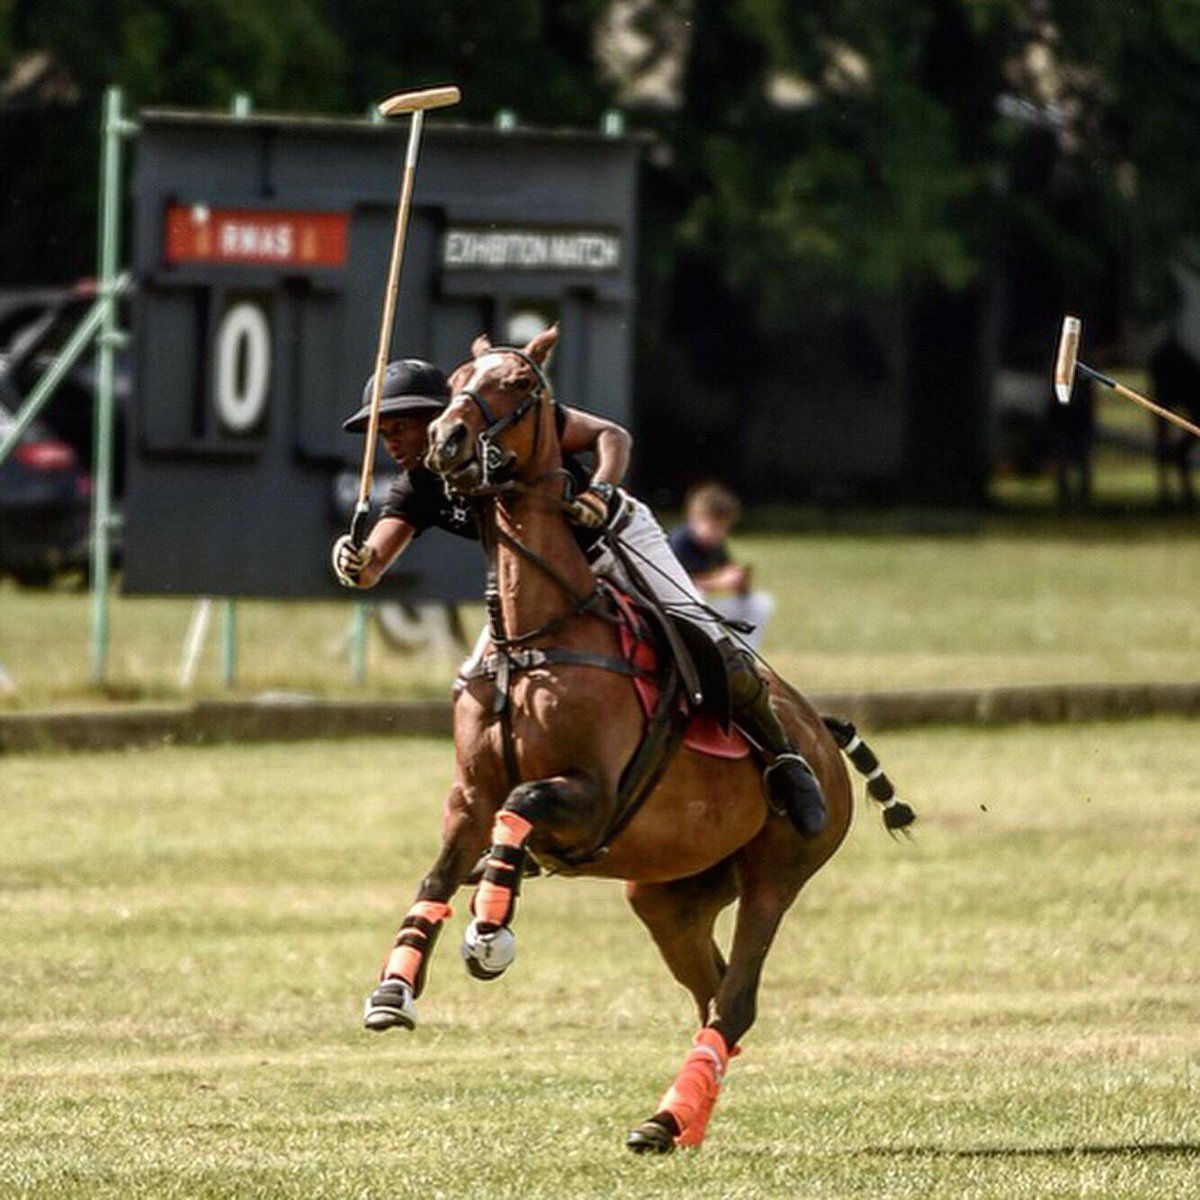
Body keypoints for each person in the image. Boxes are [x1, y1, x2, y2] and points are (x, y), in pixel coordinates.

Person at [331, 355, 825, 837]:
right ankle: (482, 808)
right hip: (543, 581)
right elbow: (372, 564)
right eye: (383, 433)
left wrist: (602, 490)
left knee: (703, 635)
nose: (390, 443)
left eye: (399, 428)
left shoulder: (507, 424)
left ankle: (784, 758)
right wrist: (352, 559)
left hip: (614, 541)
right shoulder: (417, 488)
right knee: (473, 683)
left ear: (437, 415)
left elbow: (612, 435)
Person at [669, 483, 774, 653]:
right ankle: (700, 654)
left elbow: (729, 576)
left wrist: (740, 582)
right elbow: (678, 586)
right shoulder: (680, 541)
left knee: (760, 603)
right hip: (679, 615)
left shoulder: (715, 546)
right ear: (695, 519)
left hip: (706, 610)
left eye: (723, 527)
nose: (718, 533)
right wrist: (719, 582)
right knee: (698, 598)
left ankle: (744, 655)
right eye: (713, 526)